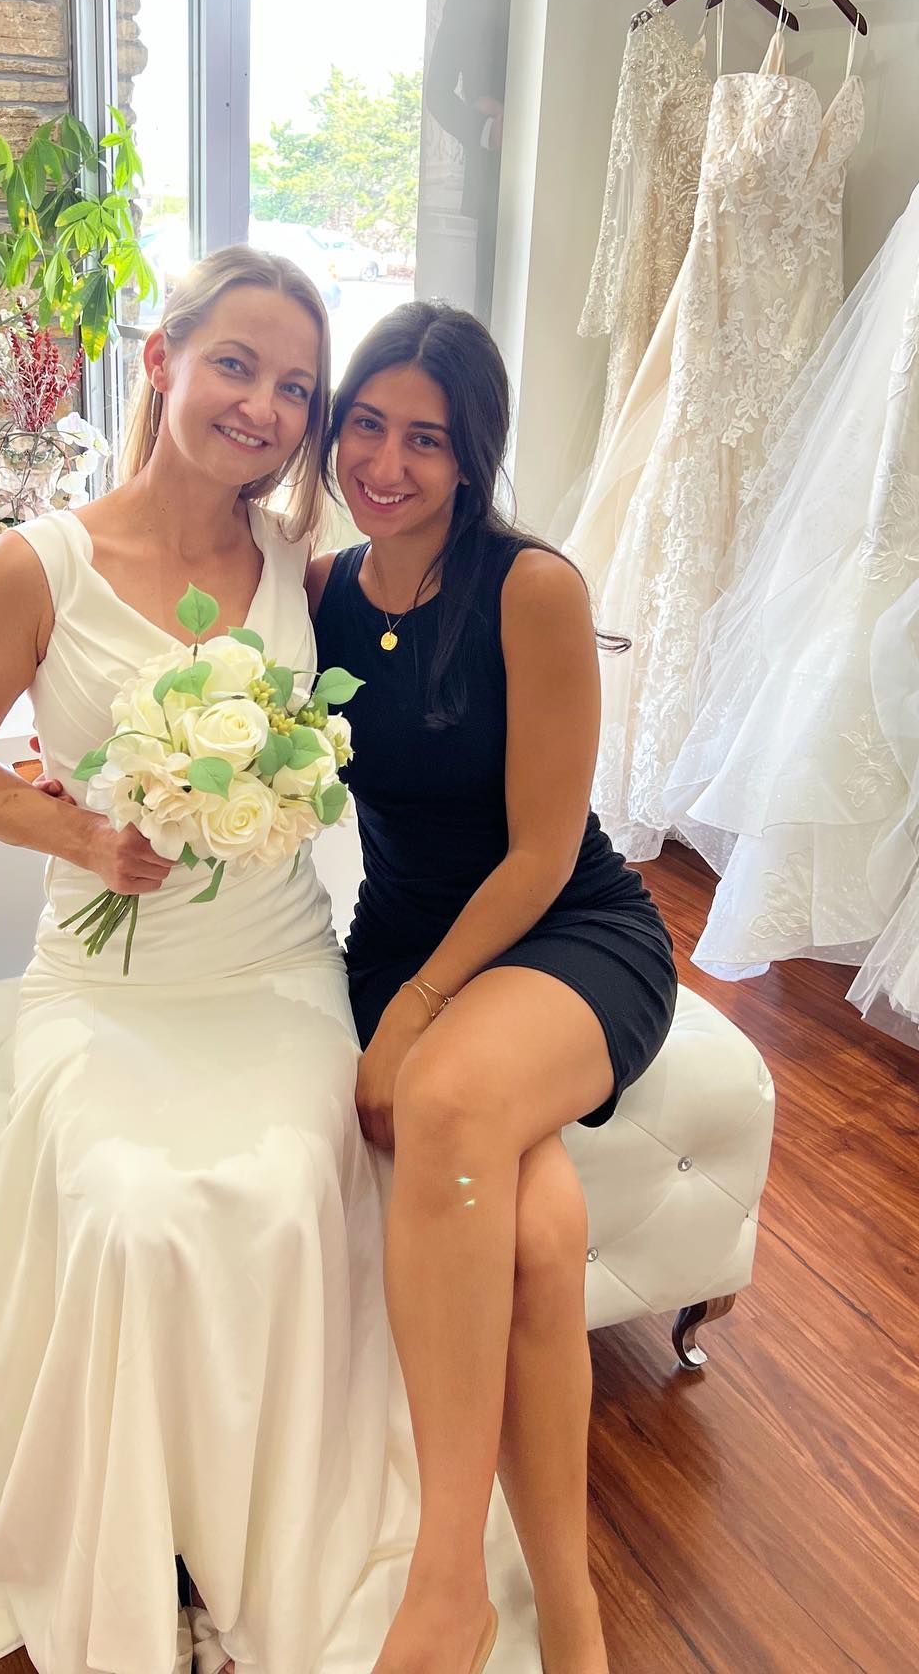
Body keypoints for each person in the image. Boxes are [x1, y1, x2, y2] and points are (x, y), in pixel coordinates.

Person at [0, 248, 393, 1674]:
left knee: (291, 1186)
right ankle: (135, 1558)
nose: (265, 405)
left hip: (276, 973)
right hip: (107, 987)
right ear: (164, 359)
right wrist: (76, 838)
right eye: (237, 364)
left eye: (296, 385)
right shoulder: (39, 564)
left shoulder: (311, 570)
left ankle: (263, 1548)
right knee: (127, 1212)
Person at [308, 301, 679, 1674]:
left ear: (473, 458)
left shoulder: (534, 588)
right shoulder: (325, 589)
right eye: (367, 426)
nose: (389, 463)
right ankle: (571, 1614)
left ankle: (449, 1582)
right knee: (534, 1244)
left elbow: (538, 853)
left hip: (565, 933)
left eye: (429, 439)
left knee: (453, 1096)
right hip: (404, 934)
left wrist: (414, 1013)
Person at [423, 0, 513, 321]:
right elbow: (437, 92)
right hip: (493, 184)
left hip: (564, 176)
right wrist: (487, 130)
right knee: (494, 319)